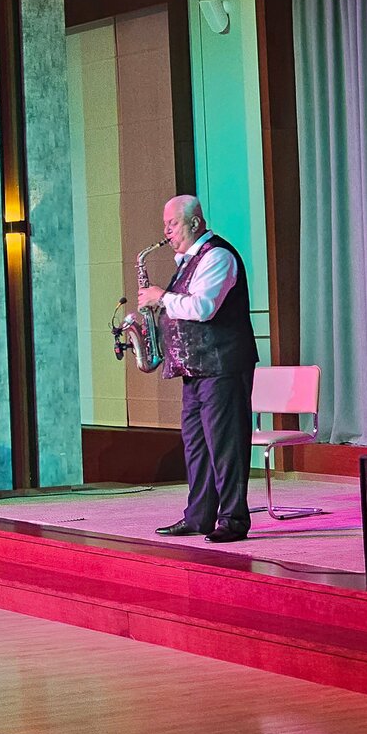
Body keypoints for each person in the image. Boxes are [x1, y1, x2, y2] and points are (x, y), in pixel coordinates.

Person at [139, 194, 258, 543]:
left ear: (194, 222)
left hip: (222, 366)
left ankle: (233, 520)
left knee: (226, 446)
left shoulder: (218, 256)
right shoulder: (187, 261)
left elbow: (204, 308)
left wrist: (162, 297)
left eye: (172, 223)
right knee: (197, 446)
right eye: (165, 224)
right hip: (194, 369)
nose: (166, 231)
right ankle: (200, 516)